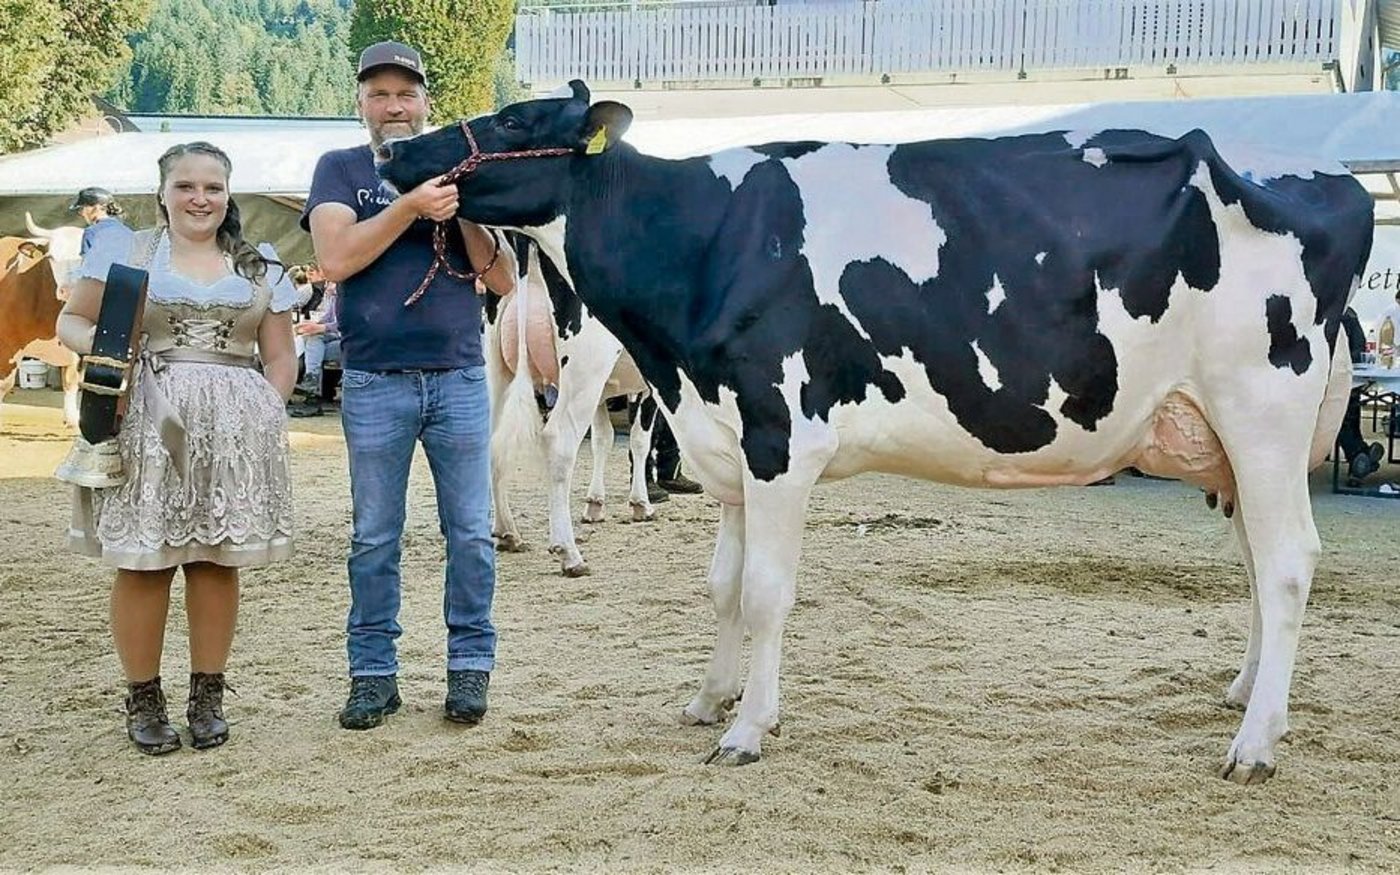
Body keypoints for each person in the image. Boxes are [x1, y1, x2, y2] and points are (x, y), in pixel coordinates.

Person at [55, 142, 298, 756]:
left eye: (212, 188)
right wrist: (116, 354)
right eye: (186, 186)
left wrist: (267, 409)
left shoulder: (258, 263)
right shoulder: (130, 252)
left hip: (235, 430)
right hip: (148, 418)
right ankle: (143, 696)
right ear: (162, 192)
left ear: (227, 193)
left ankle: (208, 695)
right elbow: (70, 323)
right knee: (145, 560)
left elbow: (281, 354)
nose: (200, 198)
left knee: (216, 558)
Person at [303, 40, 515, 731]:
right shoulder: (339, 169)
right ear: (360, 104)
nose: (393, 106)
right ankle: (373, 676)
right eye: (379, 94)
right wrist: (409, 206)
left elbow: (502, 276)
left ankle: (469, 669)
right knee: (374, 537)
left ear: (427, 102)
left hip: (458, 374)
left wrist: (460, 207)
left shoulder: (463, 169)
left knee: (472, 536)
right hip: (373, 379)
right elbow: (334, 259)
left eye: (405, 94)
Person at [1338, 305, 1386, 486]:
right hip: (1351, 378)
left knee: (1340, 420)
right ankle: (1363, 455)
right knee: (1350, 416)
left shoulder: (1321, 312)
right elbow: (1360, 351)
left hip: (1327, 382)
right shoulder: (1349, 314)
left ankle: (1358, 457)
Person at [289, 282, 340, 418]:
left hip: (351, 342)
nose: (328, 286)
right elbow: (328, 318)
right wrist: (309, 325)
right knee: (312, 340)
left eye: (332, 282)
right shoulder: (333, 297)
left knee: (312, 348)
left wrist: (321, 328)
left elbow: (347, 323)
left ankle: (311, 387)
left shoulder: (352, 295)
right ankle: (311, 382)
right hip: (333, 338)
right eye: (328, 282)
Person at [69, 186, 133, 258]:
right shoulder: (127, 231)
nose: (81, 214)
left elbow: (89, 265)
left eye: (82, 209)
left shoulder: (91, 232)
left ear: (95, 208)